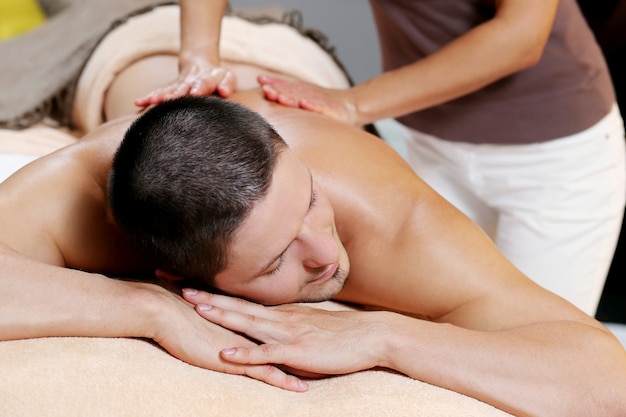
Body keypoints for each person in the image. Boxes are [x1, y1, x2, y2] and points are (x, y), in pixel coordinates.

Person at [2, 54, 625, 416]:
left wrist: (385, 334)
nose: (327, 254)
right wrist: (143, 308)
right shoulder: (70, 196)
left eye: (310, 201)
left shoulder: (388, 226)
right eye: (277, 261)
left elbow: (606, 381)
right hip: (123, 94)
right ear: (181, 276)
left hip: (273, 63)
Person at [139, 0, 626, 317]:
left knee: (536, 346)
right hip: (429, 138)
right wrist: (199, 57)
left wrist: (354, 104)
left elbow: (521, 36)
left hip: (556, 156)